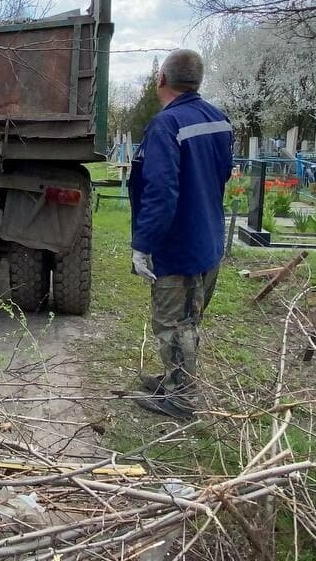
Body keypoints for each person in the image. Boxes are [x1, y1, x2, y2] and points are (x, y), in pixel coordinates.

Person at [127, 49, 234, 419]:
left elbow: (160, 191)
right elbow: (221, 175)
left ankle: (181, 398)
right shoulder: (217, 119)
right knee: (190, 317)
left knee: (174, 323)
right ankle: (174, 377)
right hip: (208, 238)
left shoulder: (167, 125)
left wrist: (143, 245)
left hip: (180, 245)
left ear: (162, 80)